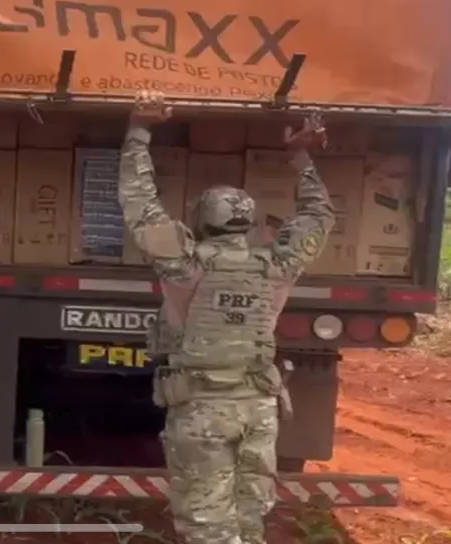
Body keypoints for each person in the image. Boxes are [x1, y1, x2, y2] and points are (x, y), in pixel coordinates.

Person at [118, 91, 334, 544]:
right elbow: (318, 216)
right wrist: (301, 157)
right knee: (250, 522)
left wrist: (139, 130)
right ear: (250, 225)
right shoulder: (279, 266)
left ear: (199, 222)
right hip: (259, 409)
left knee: (206, 525)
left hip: (202, 410)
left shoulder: (184, 266)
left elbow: (140, 206)